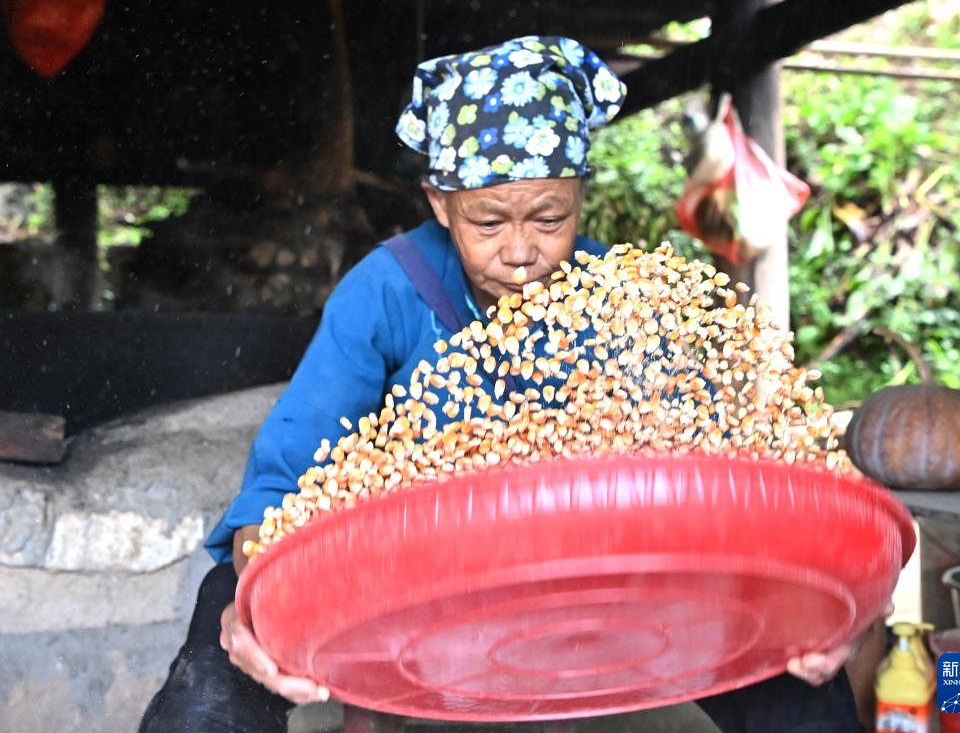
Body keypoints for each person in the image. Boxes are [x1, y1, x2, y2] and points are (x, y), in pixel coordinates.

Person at [140, 36, 865, 733]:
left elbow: (725, 474)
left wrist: (822, 604)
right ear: (438, 202)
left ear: (579, 195)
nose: (520, 253)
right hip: (418, 584)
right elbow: (283, 488)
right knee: (226, 613)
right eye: (487, 221)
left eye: (549, 217)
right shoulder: (387, 293)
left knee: (800, 679)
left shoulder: (628, 297)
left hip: (588, 576)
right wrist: (257, 601)